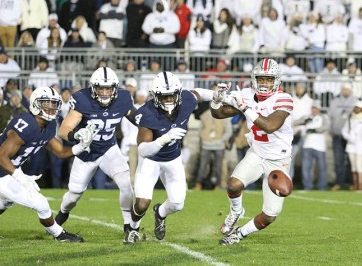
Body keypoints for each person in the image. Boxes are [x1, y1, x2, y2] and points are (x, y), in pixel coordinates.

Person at [126, 71, 217, 244]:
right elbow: (144, 150)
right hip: (150, 161)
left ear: (178, 93)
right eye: (164, 96)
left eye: (172, 96)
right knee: (142, 203)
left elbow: (199, 93)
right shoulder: (147, 112)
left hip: (173, 159)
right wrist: (162, 140)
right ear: (155, 96)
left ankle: (160, 213)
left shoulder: (186, 100)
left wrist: (217, 95)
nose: (169, 100)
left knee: (177, 204)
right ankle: (132, 228)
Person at [210, 58, 294, 246]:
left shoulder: (284, 99)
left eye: (269, 79)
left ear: (276, 81)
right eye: (261, 79)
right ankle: (236, 212)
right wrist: (216, 100)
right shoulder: (247, 94)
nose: (264, 83)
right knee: (233, 185)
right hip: (256, 153)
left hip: (278, 160)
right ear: (255, 79)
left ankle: (239, 234)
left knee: (270, 215)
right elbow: (219, 113)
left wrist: (245, 108)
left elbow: (270, 126)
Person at [0, 87, 94, 242]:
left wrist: (80, 146)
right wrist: (19, 177)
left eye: (54, 104)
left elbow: (60, 152)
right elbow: (2, 156)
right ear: (35, 104)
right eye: (46, 103)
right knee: (41, 204)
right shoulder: (26, 123)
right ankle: (60, 235)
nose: (51, 108)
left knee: (4, 201)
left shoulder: (49, 125)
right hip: (3, 170)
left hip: (8, 170)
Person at [54, 67, 136, 242]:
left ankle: (129, 227)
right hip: (87, 152)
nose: (105, 93)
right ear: (93, 88)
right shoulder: (82, 99)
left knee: (126, 184)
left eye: (108, 88)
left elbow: (138, 118)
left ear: (115, 88)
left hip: (108, 149)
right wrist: (76, 135)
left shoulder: (123, 98)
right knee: (74, 195)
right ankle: (61, 215)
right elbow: (63, 130)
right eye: (101, 88)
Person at [341, 100, 362, 191]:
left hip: (360, 146)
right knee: (353, 166)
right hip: (351, 145)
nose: (356, 109)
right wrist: (349, 137)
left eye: (358, 107)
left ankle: (361, 185)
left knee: (359, 166)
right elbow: (344, 131)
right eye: (355, 107)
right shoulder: (350, 119)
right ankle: (355, 185)